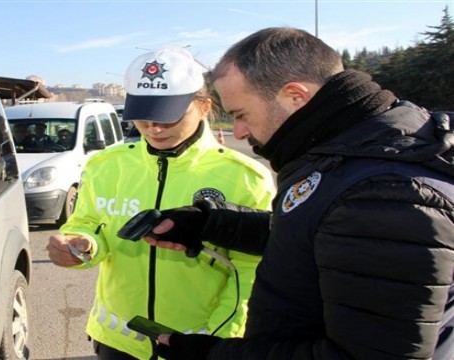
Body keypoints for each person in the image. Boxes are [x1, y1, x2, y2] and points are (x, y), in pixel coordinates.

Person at [141, 27, 454, 360]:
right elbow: (317, 237)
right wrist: (212, 223)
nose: (239, 131)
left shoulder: (384, 192)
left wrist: (213, 355)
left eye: (241, 114)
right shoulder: (353, 152)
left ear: (295, 96)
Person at [45, 46, 276, 360]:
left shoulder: (246, 177)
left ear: (205, 107)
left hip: (199, 346)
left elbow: (252, 272)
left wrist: (220, 341)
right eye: (143, 114)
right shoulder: (106, 166)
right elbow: (86, 225)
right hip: (118, 343)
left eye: (168, 115)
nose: (153, 127)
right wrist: (79, 245)